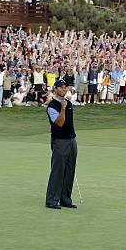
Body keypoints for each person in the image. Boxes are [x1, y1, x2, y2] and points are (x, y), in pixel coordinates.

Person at [45, 79, 78, 210]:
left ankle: (65, 199)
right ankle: (52, 199)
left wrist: (66, 105)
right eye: (61, 88)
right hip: (60, 141)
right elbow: (59, 123)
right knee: (58, 170)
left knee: (70, 170)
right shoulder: (52, 106)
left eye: (65, 88)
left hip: (71, 140)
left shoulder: (69, 103)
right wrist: (63, 108)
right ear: (55, 89)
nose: (64, 90)